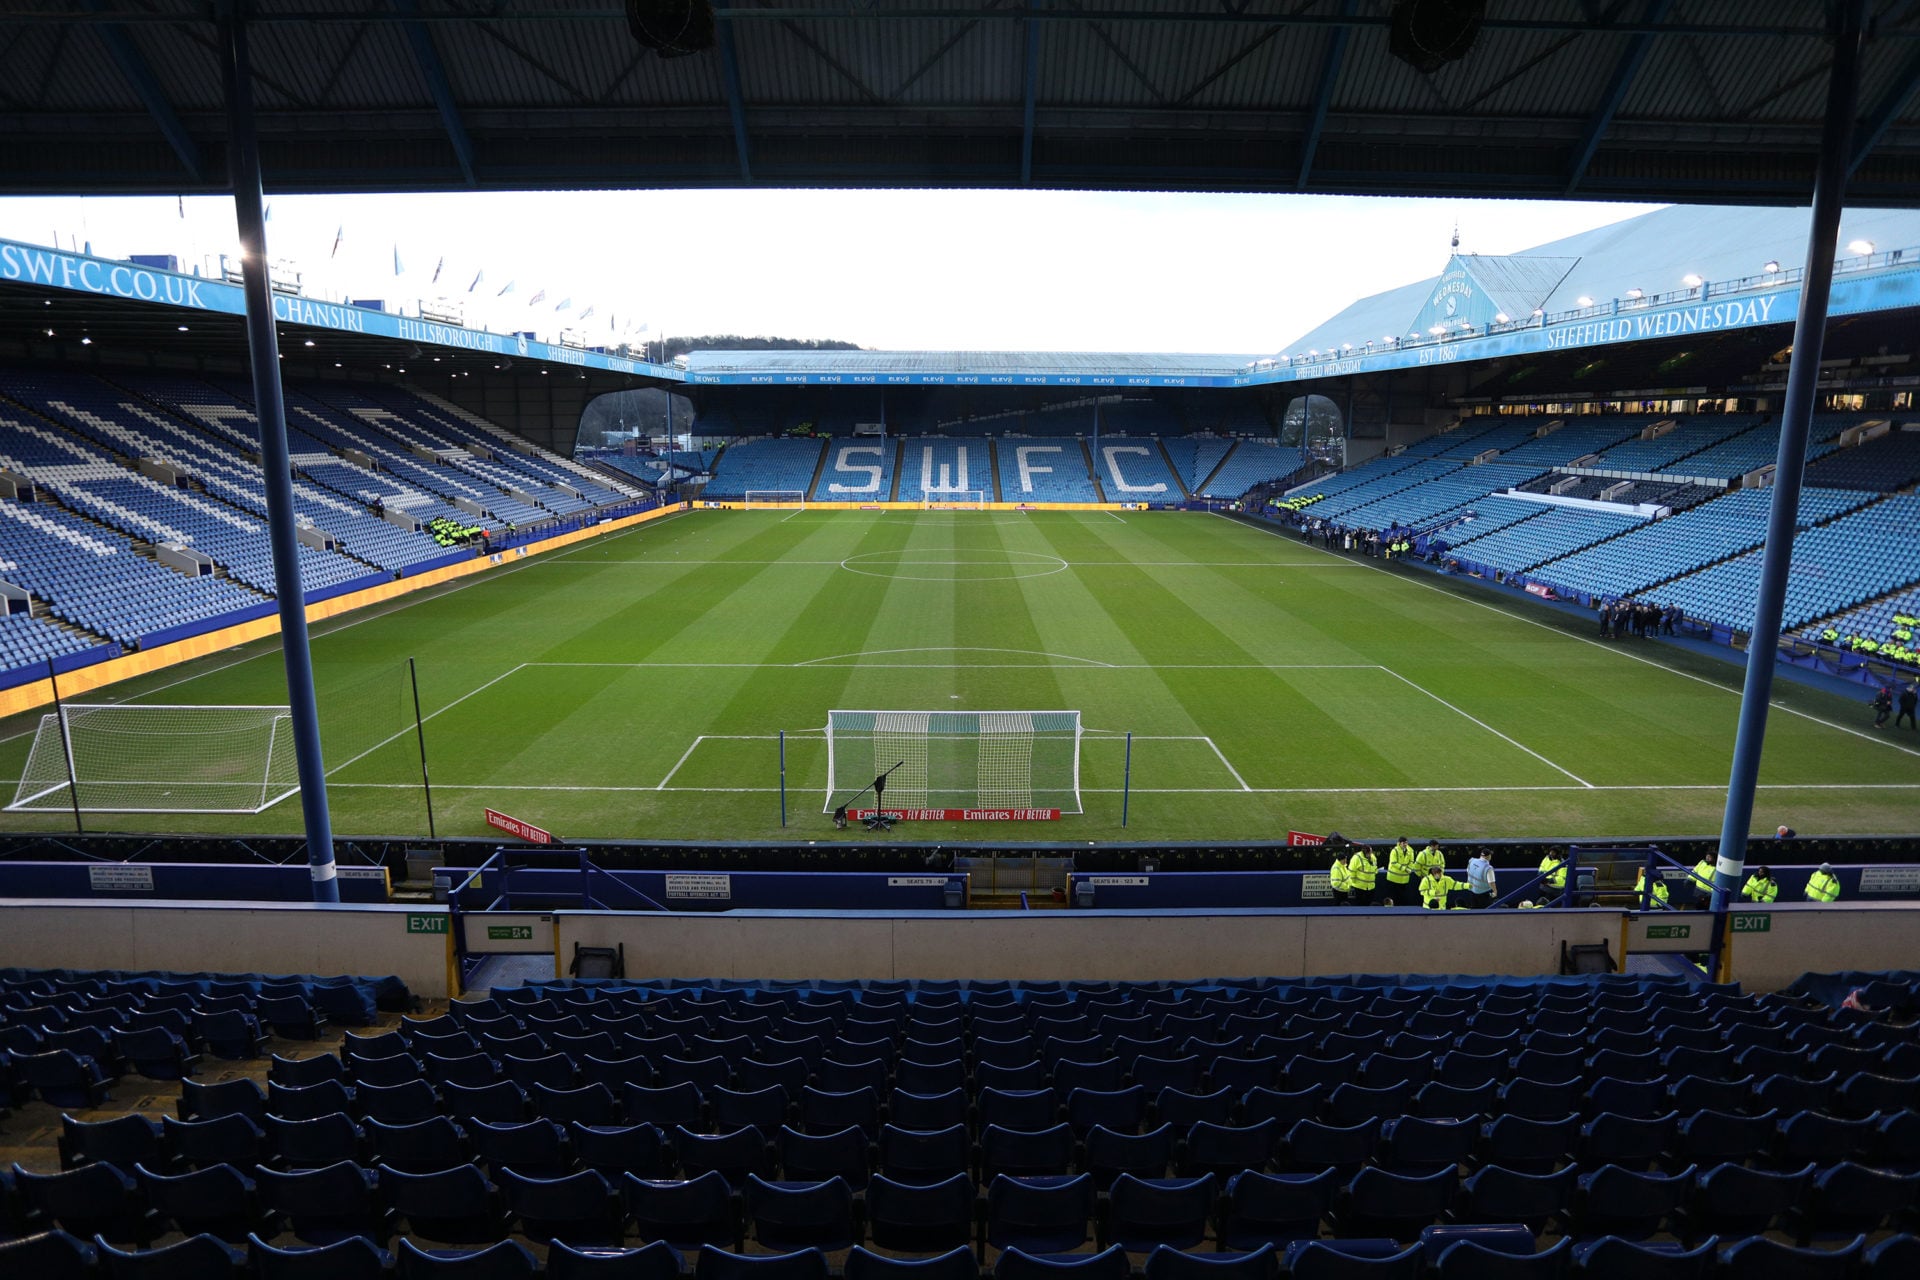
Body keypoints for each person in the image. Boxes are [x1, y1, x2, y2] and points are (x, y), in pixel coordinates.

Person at [1384, 837, 1418, 907]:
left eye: (1406, 843)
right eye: (1403, 843)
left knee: (1401, 896)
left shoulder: (1410, 850)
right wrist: (1405, 869)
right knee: (1392, 896)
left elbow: (1411, 861)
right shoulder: (1395, 851)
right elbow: (1393, 862)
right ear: (1399, 843)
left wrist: (1409, 868)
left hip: (1404, 879)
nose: (1405, 844)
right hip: (1393, 878)